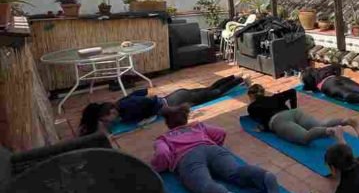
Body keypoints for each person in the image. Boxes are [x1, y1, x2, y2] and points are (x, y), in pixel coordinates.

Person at [150, 104, 279, 193]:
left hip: (188, 158)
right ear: (185, 119)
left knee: (203, 183)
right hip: (212, 149)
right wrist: (214, 145)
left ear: (168, 123)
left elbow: (163, 153)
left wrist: (158, 167)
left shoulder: (163, 139)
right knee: (235, 171)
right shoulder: (198, 126)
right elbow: (221, 132)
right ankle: (264, 176)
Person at [79, 75, 247, 136]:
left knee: (214, 93)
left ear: (110, 111)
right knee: (209, 89)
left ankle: (239, 80)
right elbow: (143, 92)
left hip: (176, 100)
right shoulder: (122, 104)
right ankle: (233, 77)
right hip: (175, 96)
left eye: (107, 119)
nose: (110, 122)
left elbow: (148, 99)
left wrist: (162, 111)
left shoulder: (128, 109)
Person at [245, 84, 359, 145]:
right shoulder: (275, 97)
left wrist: (264, 128)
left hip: (278, 121)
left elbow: (260, 118)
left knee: (305, 137)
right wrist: (293, 109)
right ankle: (347, 121)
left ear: (251, 96)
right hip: (293, 113)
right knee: (320, 124)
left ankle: (332, 131)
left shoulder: (252, 107)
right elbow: (292, 92)